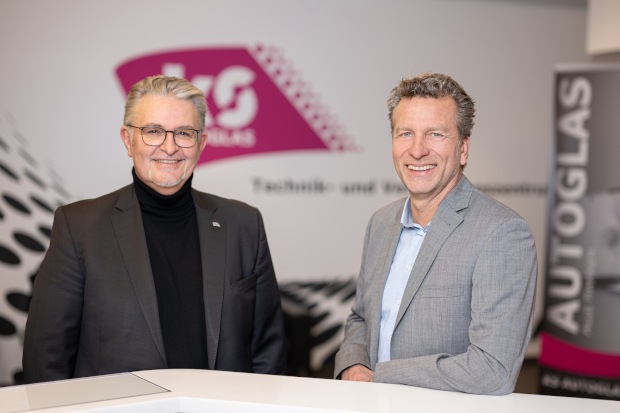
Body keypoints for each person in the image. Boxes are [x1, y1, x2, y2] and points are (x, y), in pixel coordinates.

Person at [23, 75, 286, 383]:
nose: (169, 147)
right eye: (153, 131)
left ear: (201, 143)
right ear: (128, 140)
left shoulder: (244, 224)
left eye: (184, 133)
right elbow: (46, 357)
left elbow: (268, 353)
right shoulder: (78, 227)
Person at [334, 72, 537, 395]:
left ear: (463, 148)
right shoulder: (380, 223)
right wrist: (353, 365)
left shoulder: (502, 233)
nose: (417, 150)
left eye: (435, 134)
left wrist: (381, 375)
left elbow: (492, 371)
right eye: (405, 133)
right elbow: (361, 317)